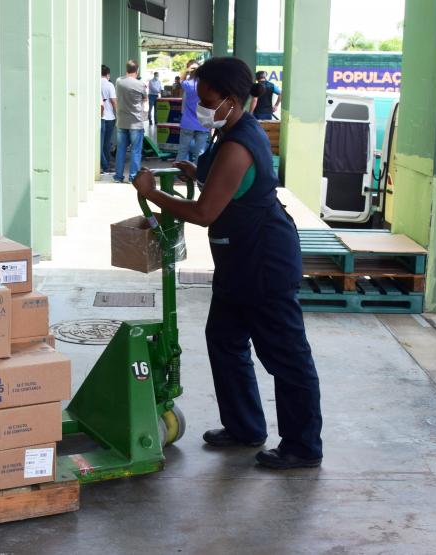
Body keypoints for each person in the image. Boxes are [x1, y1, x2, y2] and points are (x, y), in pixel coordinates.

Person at [131, 56, 323, 470]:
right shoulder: (232, 131)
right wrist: (194, 172)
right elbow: (227, 186)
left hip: (263, 263)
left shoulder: (238, 144)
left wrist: (152, 192)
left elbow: (204, 214)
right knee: (225, 341)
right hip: (238, 261)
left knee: (286, 358)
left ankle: (303, 446)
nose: (201, 106)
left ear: (232, 100)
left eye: (208, 99)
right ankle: (244, 427)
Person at [114, 60, 148, 183]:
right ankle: (133, 177)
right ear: (137, 70)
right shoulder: (141, 84)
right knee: (135, 151)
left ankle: (118, 176)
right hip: (136, 122)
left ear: (126, 69)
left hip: (121, 121)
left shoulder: (118, 81)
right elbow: (145, 99)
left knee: (121, 150)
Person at [176, 61, 210, 163]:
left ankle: (178, 174)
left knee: (182, 150)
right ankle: (197, 175)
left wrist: (187, 71)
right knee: (200, 152)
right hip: (203, 122)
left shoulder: (187, 84)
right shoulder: (207, 86)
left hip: (187, 123)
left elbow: (181, 79)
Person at [100, 65, 118, 173]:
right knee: (107, 143)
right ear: (108, 74)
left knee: (100, 143)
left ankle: (103, 164)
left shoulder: (94, 83)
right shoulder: (109, 84)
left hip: (99, 117)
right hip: (110, 117)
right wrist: (118, 114)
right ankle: (106, 164)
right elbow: (114, 101)